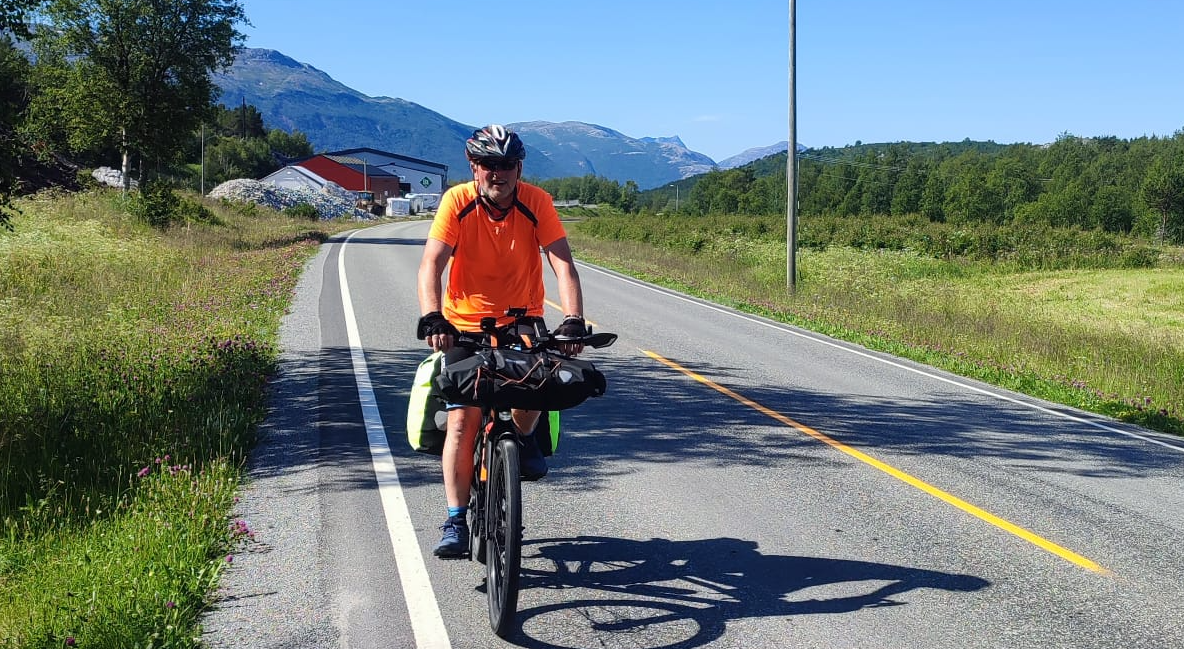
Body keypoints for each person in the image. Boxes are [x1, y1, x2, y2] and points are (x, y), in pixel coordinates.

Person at [416, 124, 588, 558]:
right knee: (462, 420)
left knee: (537, 383)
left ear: (519, 168)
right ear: (474, 167)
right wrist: (433, 316)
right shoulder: (457, 201)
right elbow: (431, 265)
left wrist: (571, 320)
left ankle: (521, 439)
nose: (499, 173)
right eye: (489, 164)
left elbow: (563, 266)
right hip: (463, 324)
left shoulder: (537, 202)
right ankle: (455, 518)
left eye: (507, 165)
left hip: (522, 320)